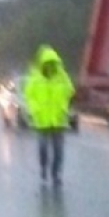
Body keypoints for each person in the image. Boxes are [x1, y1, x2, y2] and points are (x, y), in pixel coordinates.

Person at [24, 45, 75, 184]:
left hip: (58, 120)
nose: (50, 67)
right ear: (42, 64)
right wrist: (35, 110)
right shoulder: (35, 79)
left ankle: (56, 173)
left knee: (59, 151)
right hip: (42, 120)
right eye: (47, 64)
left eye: (52, 64)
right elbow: (29, 96)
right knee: (43, 148)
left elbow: (70, 91)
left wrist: (64, 106)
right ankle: (43, 168)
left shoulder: (62, 77)